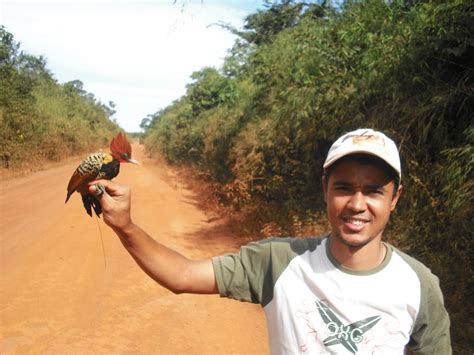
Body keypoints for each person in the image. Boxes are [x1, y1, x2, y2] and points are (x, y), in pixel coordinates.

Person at [88, 128, 451, 354]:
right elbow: (182, 274)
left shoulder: (419, 285)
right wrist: (126, 227)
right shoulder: (279, 260)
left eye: (373, 191)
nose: (357, 204)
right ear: (325, 190)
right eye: (344, 188)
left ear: (395, 198)